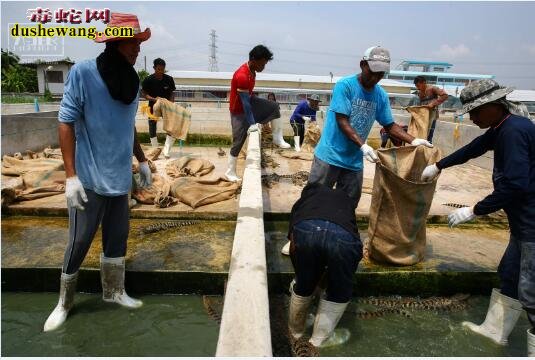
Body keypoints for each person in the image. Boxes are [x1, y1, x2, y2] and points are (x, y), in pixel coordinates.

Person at [43, 13, 152, 332]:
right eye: (132, 42)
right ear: (116, 42)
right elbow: (65, 122)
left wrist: (142, 160)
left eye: (138, 42)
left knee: (117, 238)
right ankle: (64, 303)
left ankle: (114, 292)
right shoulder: (83, 73)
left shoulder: (131, 80)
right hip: (89, 179)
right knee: (78, 242)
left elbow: (127, 125)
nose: (136, 48)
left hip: (121, 179)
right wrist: (71, 176)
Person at [281, 46, 433, 256]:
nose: (376, 78)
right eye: (373, 72)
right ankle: (294, 239)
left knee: (348, 204)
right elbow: (342, 121)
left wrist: (414, 140)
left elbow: (389, 125)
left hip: (353, 162)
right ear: (363, 65)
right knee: (312, 198)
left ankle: (338, 239)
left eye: (381, 74)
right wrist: (362, 145)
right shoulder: (346, 86)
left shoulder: (380, 95)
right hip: (330, 156)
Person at [420, 79, 534, 354]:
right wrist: (439, 165)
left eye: (474, 111)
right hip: (522, 226)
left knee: (531, 293)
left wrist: (475, 210)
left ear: (493, 106)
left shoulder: (513, 133)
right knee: (508, 275)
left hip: (532, 226)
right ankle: (496, 332)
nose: (471, 117)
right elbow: (474, 148)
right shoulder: (502, 126)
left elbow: (516, 184)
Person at [287, 182, 362, 348]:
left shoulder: (303, 202)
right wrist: (340, 280)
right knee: (340, 292)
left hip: (307, 228)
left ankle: (294, 335)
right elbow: (348, 254)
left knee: (304, 285)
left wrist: (301, 276)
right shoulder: (346, 201)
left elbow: (293, 246)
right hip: (344, 238)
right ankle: (317, 343)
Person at [225, 45, 283, 182]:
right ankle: (230, 172)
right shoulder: (242, 75)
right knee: (238, 141)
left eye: (265, 63)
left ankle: (277, 137)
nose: (264, 67)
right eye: (262, 63)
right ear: (253, 60)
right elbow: (244, 104)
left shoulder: (253, 71)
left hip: (250, 100)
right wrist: (252, 123)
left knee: (274, 106)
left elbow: (249, 99)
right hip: (238, 110)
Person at [141, 57, 176, 156]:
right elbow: (144, 94)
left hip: (166, 107)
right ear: (154, 68)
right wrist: (154, 99)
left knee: (171, 127)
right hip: (152, 106)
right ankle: (155, 149)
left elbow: (172, 93)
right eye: (158, 69)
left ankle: (166, 150)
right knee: (152, 127)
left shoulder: (169, 79)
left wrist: (171, 103)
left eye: (162, 69)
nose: (160, 71)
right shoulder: (148, 80)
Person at [413, 75, 448, 142]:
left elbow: (445, 95)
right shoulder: (419, 92)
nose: (418, 88)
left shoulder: (432, 88)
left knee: (429, 135)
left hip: (432, 115)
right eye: (416, 86)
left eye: (418, 85)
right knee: (421, 135)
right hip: (422, 116)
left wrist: (433, 103)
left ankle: (428, 150)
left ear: (424, 83)